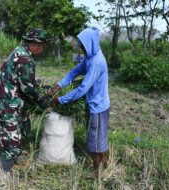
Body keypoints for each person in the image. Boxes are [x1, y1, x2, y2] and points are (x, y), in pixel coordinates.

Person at [48, 27, 110, 176]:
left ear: (90, 43)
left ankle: (96, 173)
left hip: (99, 107)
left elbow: (82, 88)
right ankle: (104, 165)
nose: (80, 46)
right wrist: (58, 86)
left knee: (96, 142)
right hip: (93, 104)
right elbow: (74, 72)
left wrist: (61, 100)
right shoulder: (89, 57)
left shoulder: (97, 62)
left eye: (83, 43)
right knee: (98, 138)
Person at [0, 29, 50, 172]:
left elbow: (21, 78)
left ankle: (14, 163)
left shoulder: (19, 51)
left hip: (9, 103)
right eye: (41, 45)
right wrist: (42, 101)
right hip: (5, 107)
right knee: (12, 146)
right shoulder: (25, 59)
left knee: (24, 126)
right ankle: (3, 176)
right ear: (33, 43)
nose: (42, 48)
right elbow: (28, 89)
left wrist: (39, 84)